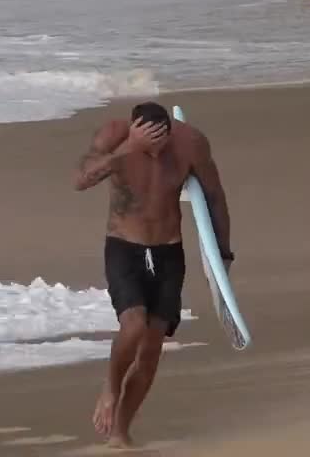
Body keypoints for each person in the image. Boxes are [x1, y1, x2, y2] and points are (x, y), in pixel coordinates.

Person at [73, 101, 233, 449]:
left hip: (167, 251)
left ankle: (120, 432)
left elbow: (214, 197)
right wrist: (130, 147)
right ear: (133, 129)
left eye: (162, 143)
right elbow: (80, 180)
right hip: (124, 246)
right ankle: (110, 388)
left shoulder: (191, 143)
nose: (157, 154)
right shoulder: (115, 136)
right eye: (150, 145)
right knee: (133, 325)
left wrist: (222, 254)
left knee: (152, 348)